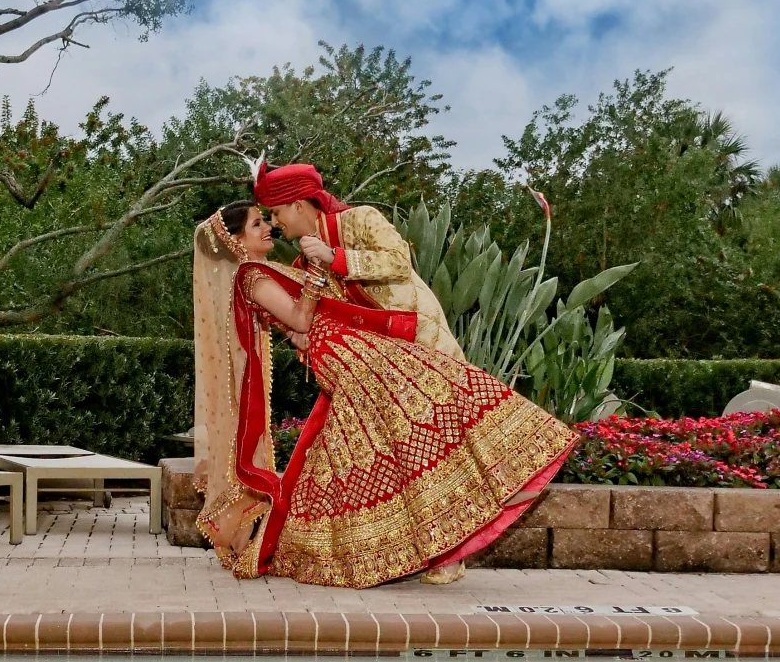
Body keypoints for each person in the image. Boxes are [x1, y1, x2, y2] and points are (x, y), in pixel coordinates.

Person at [192, 200, 578, 589]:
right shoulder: (251, 277)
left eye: (267, 220)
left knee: (388, 434)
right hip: (346, 356)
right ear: (235, 240)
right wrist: (319, 271)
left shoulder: (266, 271)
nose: (268, 228)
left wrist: (309, 301)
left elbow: (301, 321)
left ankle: (491, 484)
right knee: (424, 406)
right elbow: (300, 318)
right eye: (258, 224)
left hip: (354, 348)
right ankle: (473, 501)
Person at [252, 162, 462, 359]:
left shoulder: (361, 218)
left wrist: (335, 258)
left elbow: (400, 262)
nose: (274, 223)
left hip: (425, 343)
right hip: (378, 365)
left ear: (298, 206)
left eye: (275, 212)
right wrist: (303, 341)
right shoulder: (302, 266)